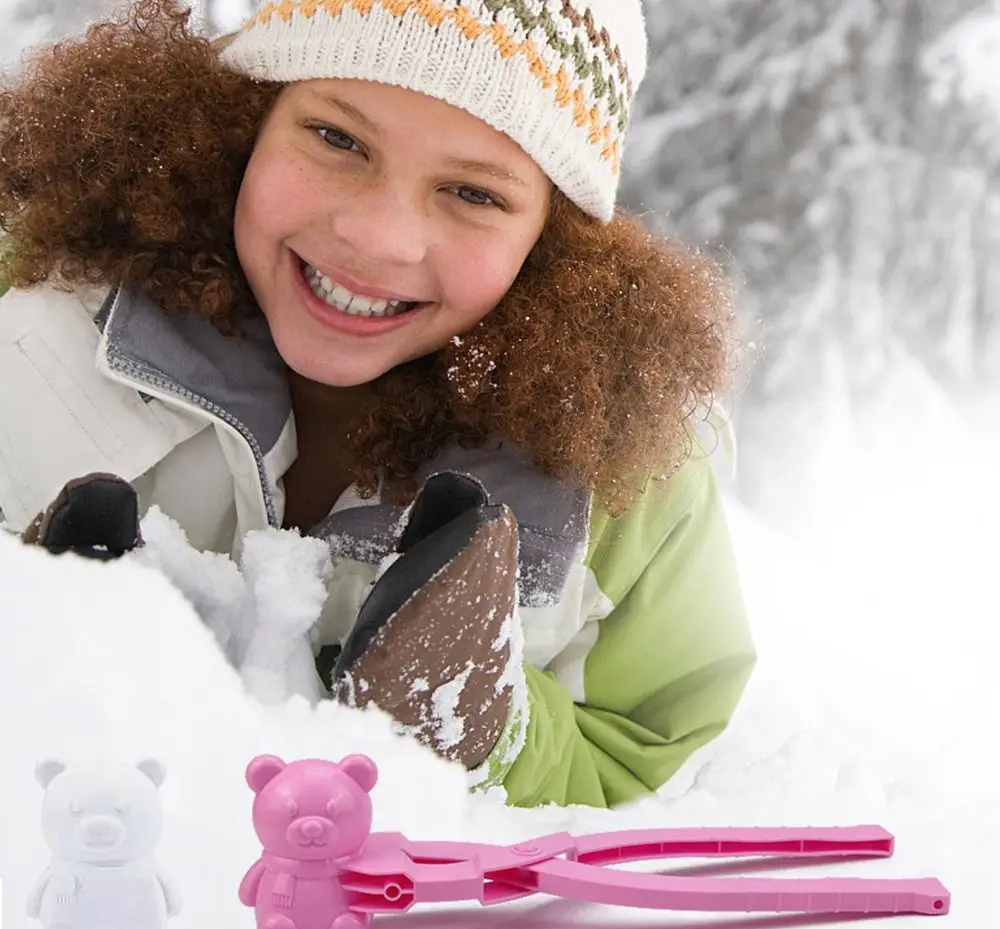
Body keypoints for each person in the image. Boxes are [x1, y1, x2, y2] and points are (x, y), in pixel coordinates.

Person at [0, 0, 756, 808]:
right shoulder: (33, 302)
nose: (378, 238)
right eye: (337, 139)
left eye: (472, 192)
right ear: (244, 115)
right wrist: (37, 636)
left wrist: (492, 728)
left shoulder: (628, 475)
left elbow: (641, 749)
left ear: (552, 237)